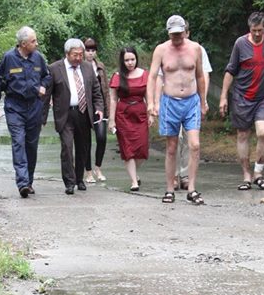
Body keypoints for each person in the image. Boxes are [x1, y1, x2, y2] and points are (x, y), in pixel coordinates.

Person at [219, 10, 264, 190]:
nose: (257, 34)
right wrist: (224, 96)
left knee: (263, 133)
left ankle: (258, 173)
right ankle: (246, 175)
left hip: (263, 97)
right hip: (242, 96)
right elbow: (230, 70)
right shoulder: (240, 43)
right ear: (250, 28)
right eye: (254, 30)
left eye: (260, 30)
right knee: (243, 135)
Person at [147, 14, 208, 205]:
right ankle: (169, 189)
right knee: (172, 147)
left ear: (185, 31)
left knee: (194, 144)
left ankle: (191, 188)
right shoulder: (161, 50)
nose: (177, 38)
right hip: (170, 101)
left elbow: (199, 76)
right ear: (168, 33)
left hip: (191, 101)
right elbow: (152, 77)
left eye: (179, 34)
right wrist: (151, 102)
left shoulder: (195, 48)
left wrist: (203, 101)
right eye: (173, 34)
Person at [0, 26, 51, 198]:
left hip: (34, 106)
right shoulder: (9, 58)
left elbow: (47, 76)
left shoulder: (38, 58)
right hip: (15, 107)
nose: (36, 44)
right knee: (18, 141)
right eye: (33, 41)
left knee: (31, 145)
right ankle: (22, 182)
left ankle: (28, 181)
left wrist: (43, 86)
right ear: (23, 44)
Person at [44, 38, 104, 195]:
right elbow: (47, 94)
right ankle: (69, 182)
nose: (78, 58)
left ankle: (79, 179)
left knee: (83, 148)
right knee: (67, 148)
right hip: (65, 114)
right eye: (75, 55)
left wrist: (99, 108)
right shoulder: (55, 68)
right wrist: (42, 117)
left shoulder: (87, 68)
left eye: (80, 55)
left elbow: (96, 92)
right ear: (67, 54)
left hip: (84, 114)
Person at [109, 46, 152, 191]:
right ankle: (134, 181)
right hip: (123, 114)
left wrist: (150, 113)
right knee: (127, 149)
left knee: (141, 148)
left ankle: (135, 172)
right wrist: (111, 120)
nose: (130, 63)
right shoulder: (117, 76)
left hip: (140, 113)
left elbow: (148, 96)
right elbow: (113, 99)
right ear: (122, 61)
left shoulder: (144, 74)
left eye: (132, 59)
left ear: (136, 59)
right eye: (126, 60)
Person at [83, 38, 110, 183]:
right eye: (88, 50)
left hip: (99, 106)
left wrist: (107, 110)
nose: (90, 53)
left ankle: (98, 167)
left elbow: (105, 90)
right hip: (85, 107)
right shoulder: (80, 66)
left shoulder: (100, 66)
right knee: (86, 140)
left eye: (93, 50)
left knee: (101, 137)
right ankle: (88, 171)